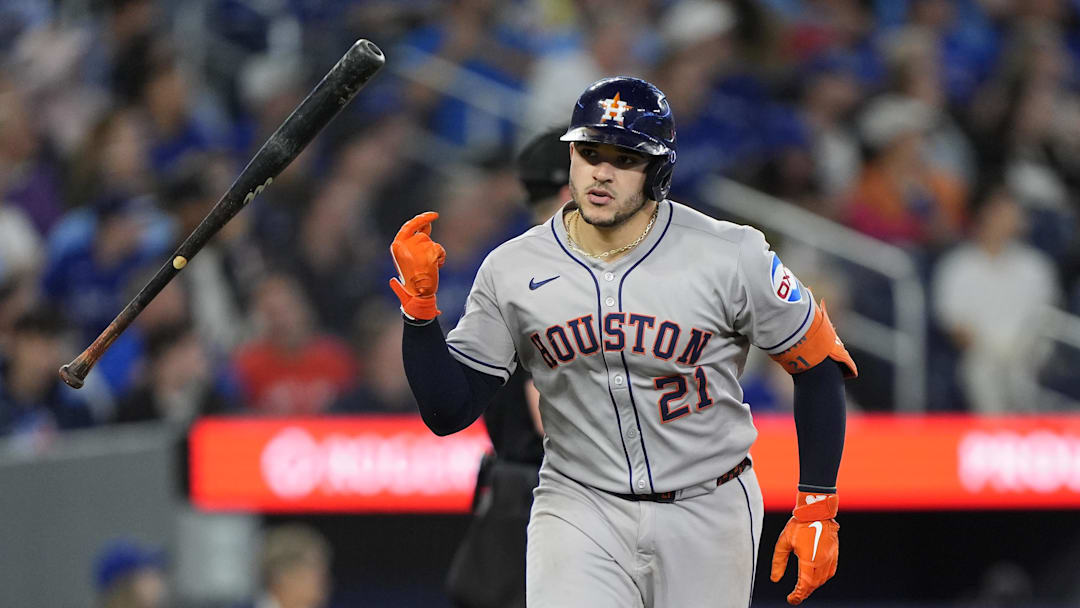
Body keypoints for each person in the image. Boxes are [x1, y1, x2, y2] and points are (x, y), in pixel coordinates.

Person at [391, 77, 857, 607]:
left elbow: (818, 363)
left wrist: (818, 500)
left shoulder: (730, 254)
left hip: (708, 504)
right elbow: (447, 410)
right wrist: (421, 314)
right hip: (579, 504)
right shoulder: (513, 268)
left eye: (625, 158)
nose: (602, 173)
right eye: (589, 153)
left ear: (659, 170)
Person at [444, 127, 566, 608]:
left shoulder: (506, 264)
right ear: (568, 192)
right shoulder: (557, 275)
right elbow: (554, 417)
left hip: (510, 498)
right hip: (550, 505)